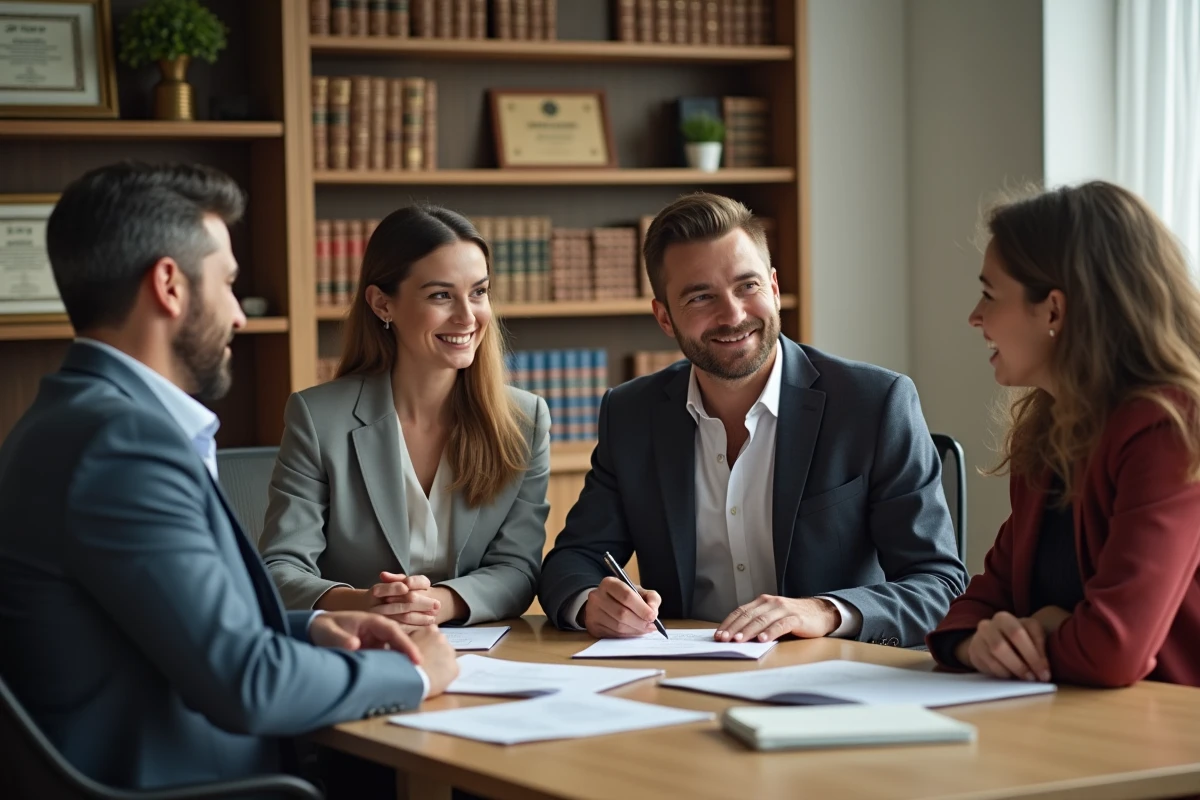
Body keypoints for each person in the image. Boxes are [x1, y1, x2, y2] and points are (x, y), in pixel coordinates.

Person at [0, 162, 459, 791]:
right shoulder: (122, 447)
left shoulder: (64, 422)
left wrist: (315, 626)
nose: (240, 316)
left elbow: (164, 628)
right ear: (169, 284)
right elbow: (248, 684)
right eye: (228, 283)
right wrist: (416, 675)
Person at [538, 192, 966, 646]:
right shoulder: (631, 414)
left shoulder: (874, 404)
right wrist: (591, 602)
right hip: (683, 678)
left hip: (828, 678)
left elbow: (938, 585)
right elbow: (573, 561)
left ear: (775, 288)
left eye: (748, 286)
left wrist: (825, 611)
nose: (734, 315)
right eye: (701, 297)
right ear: (664, 317)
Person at [927, 181, 1200, 688]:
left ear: (1053, 310)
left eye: (989, 294)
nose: (975, 316)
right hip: (1083, 729)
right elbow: (977, 603)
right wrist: (978, 641)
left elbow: (1114, 650)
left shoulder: (1170, 429)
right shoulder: (1051, 430)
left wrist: (1046, 627)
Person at [259, 205, 549, 628]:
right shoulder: (318, 418)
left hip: (483, 657)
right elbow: (279, 571)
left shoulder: (525, 420)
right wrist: (368, 603)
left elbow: (518, 569)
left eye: (478, 292)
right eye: (440, 295)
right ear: (382, 304)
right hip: (356, 649)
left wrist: (437, 603)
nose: (467, 317)